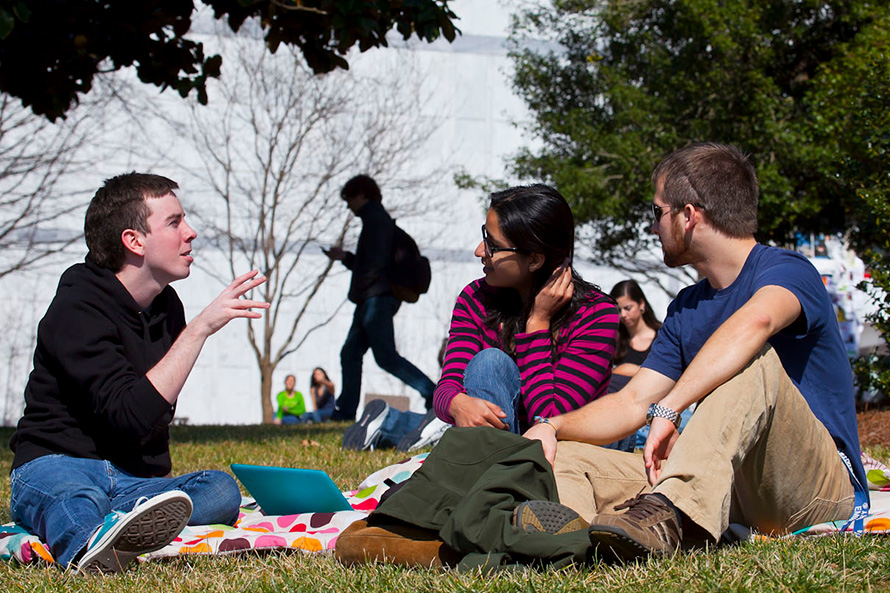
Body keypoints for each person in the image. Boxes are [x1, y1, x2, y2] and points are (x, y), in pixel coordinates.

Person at [519, 143, 867, 562]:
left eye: (656, 212)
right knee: (571, 457)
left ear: (688, 216)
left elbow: (755, 324)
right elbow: (632, 402)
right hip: (723, 484)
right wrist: (552, 427)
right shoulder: (686, 306)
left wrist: (671, 408)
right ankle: (571, 544)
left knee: (752, 361)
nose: (652, 227)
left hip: (814, 487)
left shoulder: (787, 270)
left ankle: (668, 515)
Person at [8, 173, 270, 573]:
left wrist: (154, 483)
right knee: (75, 499)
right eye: (174, 222)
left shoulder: (167, 308)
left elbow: (153, 419)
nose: (191, 232)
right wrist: (199, 329)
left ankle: (119, 524)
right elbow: (127, 416)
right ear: (134, 241)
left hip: (129, 479)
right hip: (58, 462)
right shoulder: (76, 307)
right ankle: (92, 550)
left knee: (218, 490)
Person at [342, 184, 620, 452]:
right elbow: (448, 384)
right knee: (489, 363)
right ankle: (479, 462)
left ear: (534, 260)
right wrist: (456, 404)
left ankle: (433, 439)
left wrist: (537, 324)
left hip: (560, 453)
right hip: (495, 446)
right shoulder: (475, 298)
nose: (479, 251)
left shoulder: (596, 315)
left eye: (493, 246)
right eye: (484, 236)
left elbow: (551, 420)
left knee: (490, 362)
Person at [324, 174, 436, 422]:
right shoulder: (375, 220)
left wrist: (361, 292)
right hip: (373, 297)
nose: (348, 205)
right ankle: (345, 411)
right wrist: (345, 258)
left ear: (363, 194)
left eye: (350, 199)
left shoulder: (376, 221)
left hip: (375, 299)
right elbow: (370, 265)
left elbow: (375, 265)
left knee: (384, 356)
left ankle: (433, 393)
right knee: (350, 353)